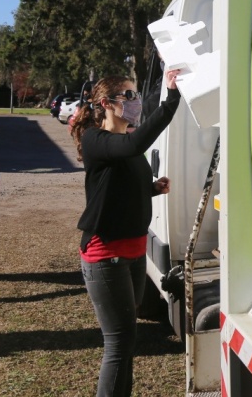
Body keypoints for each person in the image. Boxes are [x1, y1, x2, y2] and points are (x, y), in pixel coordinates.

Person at [70, 69, 181, 397]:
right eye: (129, 96)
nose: (135, 102)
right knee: (119, 343)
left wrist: (152, 189)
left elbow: (117, 186)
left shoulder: (123, 144)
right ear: (106, 103)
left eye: (136, 95)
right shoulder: (96, 140)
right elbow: (135, 143)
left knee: (127, 338)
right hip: (105, 256)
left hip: (133, 254)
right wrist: (171, 98)